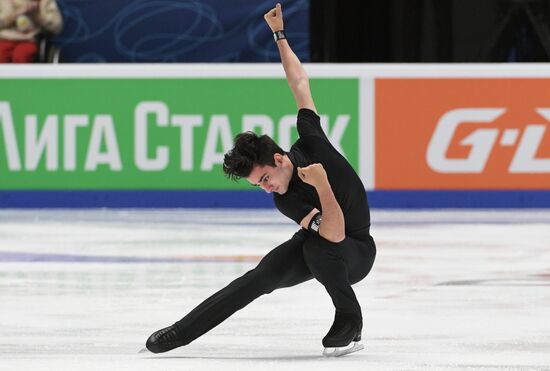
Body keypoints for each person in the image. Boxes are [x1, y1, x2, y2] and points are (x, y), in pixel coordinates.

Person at [145, 3, 376, 357]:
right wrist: (322, 187)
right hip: (324, 241)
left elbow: (299, 81)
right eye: (259, 185)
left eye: (266, 177)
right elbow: (325, 230)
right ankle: (181, 331)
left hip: (357, 251)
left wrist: (279, 34)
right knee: (259, 277)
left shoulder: (310, 139)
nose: (266, 188)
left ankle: (349, 317)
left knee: (318, 247)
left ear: (281, 159)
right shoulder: (285, 199)